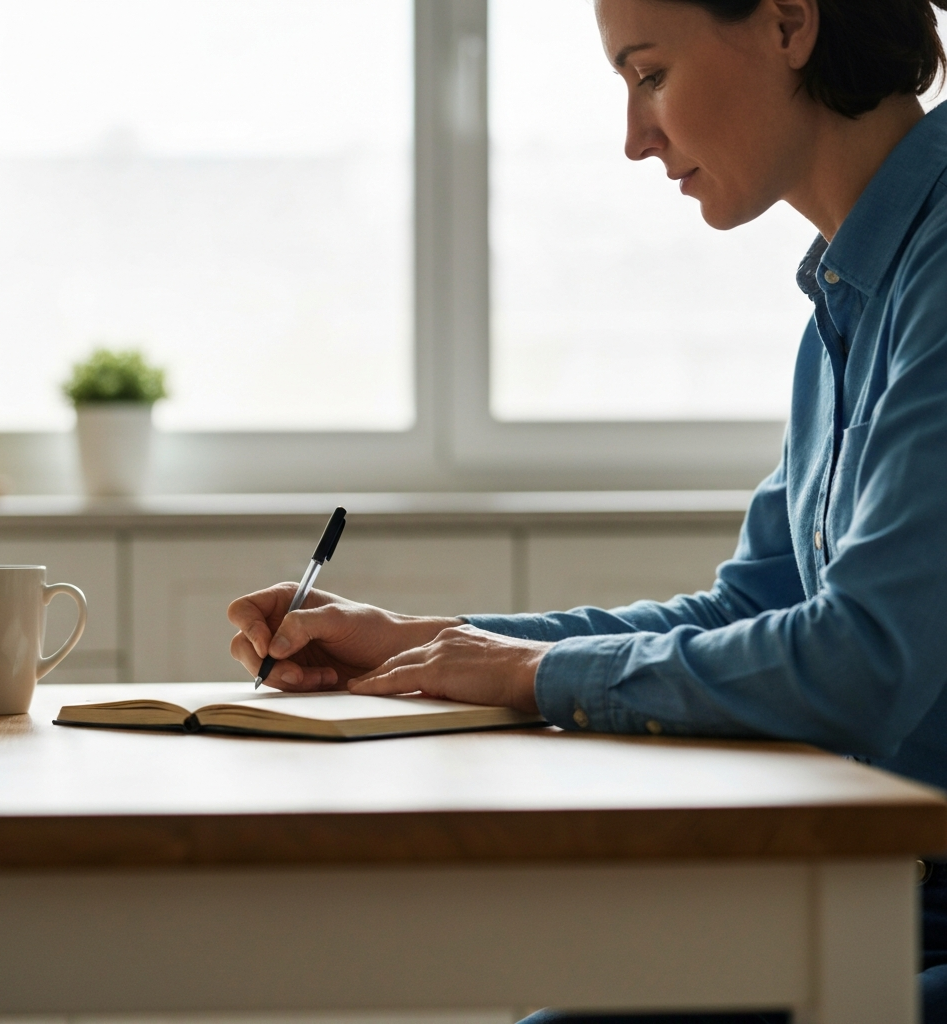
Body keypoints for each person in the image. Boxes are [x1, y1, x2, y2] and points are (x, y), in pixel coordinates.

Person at [229, 0, 947, 1018]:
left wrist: (531, 671)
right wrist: (432, 642)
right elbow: (746, 614)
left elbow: (862, 656)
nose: (632, 138)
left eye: (648, 74)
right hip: (869, 892)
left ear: (789, 23)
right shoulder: (848, 300)